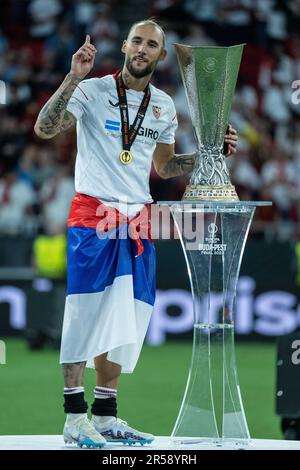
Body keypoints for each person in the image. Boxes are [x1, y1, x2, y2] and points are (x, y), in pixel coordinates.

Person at [34, 19, 238, 448]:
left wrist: (209, 150)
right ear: (125, 46)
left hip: (140, 219)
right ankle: (74, 417)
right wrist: (73, 77)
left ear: (162, 56)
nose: (143, 49)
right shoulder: (92, 90)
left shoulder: (163, 106)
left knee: (128, 318)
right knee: (85, 311)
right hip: (95, 215)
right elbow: (46, 129)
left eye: (152, 45)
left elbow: (164, 167)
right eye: (138, 41)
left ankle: (106, 415)